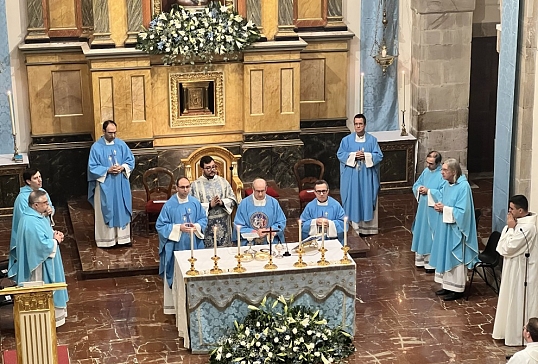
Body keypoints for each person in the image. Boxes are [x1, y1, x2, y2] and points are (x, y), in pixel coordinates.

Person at [15, 190, 68, 327]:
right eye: (44, 203)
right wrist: (55, 241)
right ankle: (44, 322)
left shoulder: (37, 215)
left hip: (47, 258)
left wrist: (54, 234)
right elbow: (40, 245)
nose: (47, 204)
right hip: (39, 265)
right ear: (35, 205)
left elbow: (45, 232)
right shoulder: (30, 221)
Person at [156, 177, 207, 314]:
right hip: (175, 248)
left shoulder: (195, 203)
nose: (185, 190)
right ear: (176, 188)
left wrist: (196, 226)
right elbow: (160, 225)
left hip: (193, 246)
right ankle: (175, 308)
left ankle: (194, 306)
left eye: (187, 187)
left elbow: (203, 219)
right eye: (182, 187)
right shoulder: (169, 205)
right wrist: (179, 228)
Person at [429, 158, 479, 301]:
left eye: (445, 170)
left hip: (457, 230)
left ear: (454, 171)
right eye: (442, 169)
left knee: (455, 257)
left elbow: (463, 212)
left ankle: (457, 289)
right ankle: (446, 285)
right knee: (445, 254)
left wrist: (445, 209)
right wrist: (440, 206)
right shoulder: (447, 184)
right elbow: (444, 200)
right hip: (446, 228)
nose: (442, 173)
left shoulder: (464, 187)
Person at [493, 195, 538, 346]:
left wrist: (511, 229)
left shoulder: (528, 227)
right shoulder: (514, 224)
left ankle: (517, 336)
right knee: (508, 299)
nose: (509, 212)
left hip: (521, 272)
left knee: (518, 302)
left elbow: (508, 247)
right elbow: (500, 248)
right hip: (511, 268)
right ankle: (506, 331)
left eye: (512, 209)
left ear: (520, 210)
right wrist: (510, 228)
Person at [88, 120, 135, 248]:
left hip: (120, 184)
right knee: (106, 209)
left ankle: (123, 239)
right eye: (110, 133)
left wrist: (123, 167)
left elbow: (130, 160)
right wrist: (107, 170)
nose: (113, 136)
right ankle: (106, 240)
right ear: (103, 131)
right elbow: (92, 167)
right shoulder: (96, 147)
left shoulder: (121, 144)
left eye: (114, 132)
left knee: (121, 209)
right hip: (105, 185)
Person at [337, 113, 383, 235]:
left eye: (360, 124)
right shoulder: (346, 140)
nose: (358, 126)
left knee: (366, 198)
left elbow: (379, 155)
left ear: (365, 125)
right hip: (352, 177)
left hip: (367, 176)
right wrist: (353, 156)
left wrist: (366, 156)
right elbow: (340, 154)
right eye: (356, 124)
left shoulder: (372, 140)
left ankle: (368, 229)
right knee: (353, 198)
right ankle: (355, 227)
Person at [8, 169, 55, 280]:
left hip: (43, 230)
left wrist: (49, 211)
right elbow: (26, 220)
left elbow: (51, 207)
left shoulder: (42, 192)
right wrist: (43, 213)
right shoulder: (22, 199)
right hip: (31, 236)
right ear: (28, 181)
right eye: (35, 178)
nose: (39, 180)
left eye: (40, 176)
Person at [190, 156, 237, 247]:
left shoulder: (223, 182)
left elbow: (233, 199)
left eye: (213, 167)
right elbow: (193, 207)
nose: (212, 170)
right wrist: (209, 205)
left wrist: (222, 203)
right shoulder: (195, 185)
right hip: (207, 225)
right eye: (208, 168)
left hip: (223, 225)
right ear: (202, 169)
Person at [410, 151, 445, 273]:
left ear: (438, 163)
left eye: (431, 164)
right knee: (421, 231)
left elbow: (443, 193)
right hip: (422, 209)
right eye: (427, 162)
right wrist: (419, 188)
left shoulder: (442, 174)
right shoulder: (426, 171)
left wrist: (429, 191)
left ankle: (431, 263)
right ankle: (421, 260)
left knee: (430, 234)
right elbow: (417, 184)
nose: (428, 165)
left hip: (433, 211)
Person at [233, 178, 286, 245]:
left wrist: (269, 230)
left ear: (266, 189)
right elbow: (238, 225)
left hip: (269, 242)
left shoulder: (273, 203)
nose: (260, 194)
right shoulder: (244, 204)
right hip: (250, 243)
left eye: (262, 191)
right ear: (253, 189)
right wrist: (255, 232)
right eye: (258, 191)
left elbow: (281, 222)